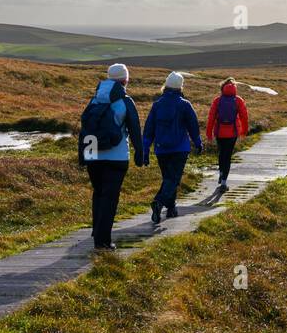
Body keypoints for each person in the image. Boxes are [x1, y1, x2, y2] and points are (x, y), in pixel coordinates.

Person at [78, 62, 146, 250]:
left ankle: (97, 230)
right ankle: (103, 242)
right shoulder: (125, 101)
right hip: (116, 157)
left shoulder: (94, 100)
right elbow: (134, 130)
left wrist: (83, 155)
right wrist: (140, 155)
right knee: (110, 197)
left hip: (92, 154)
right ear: (125, 80)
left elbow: (86, 129)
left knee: (98, 193)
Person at [141, 71, 202, 223]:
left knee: (168, 178)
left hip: (161, 149)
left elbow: (149, 129)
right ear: (180, 87)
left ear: (166, 86)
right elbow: (193, 126)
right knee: (172, 180)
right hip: (179, 148)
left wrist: (145, 149)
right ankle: (159, 202)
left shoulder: (157, 105)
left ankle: (171, 208)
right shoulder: (184, 104)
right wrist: (198, 142)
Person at [205, 77, 249, 187]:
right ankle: (224, 181)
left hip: (219, 132)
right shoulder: (238, 100)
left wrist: (209, 133)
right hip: (233, 132)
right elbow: (244, 117)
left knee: (221, 153)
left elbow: (211, 118)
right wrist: (244, 130)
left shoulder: (217, 100)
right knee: (228, 156)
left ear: (222, 88)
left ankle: (221, 173)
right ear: (235, 88)